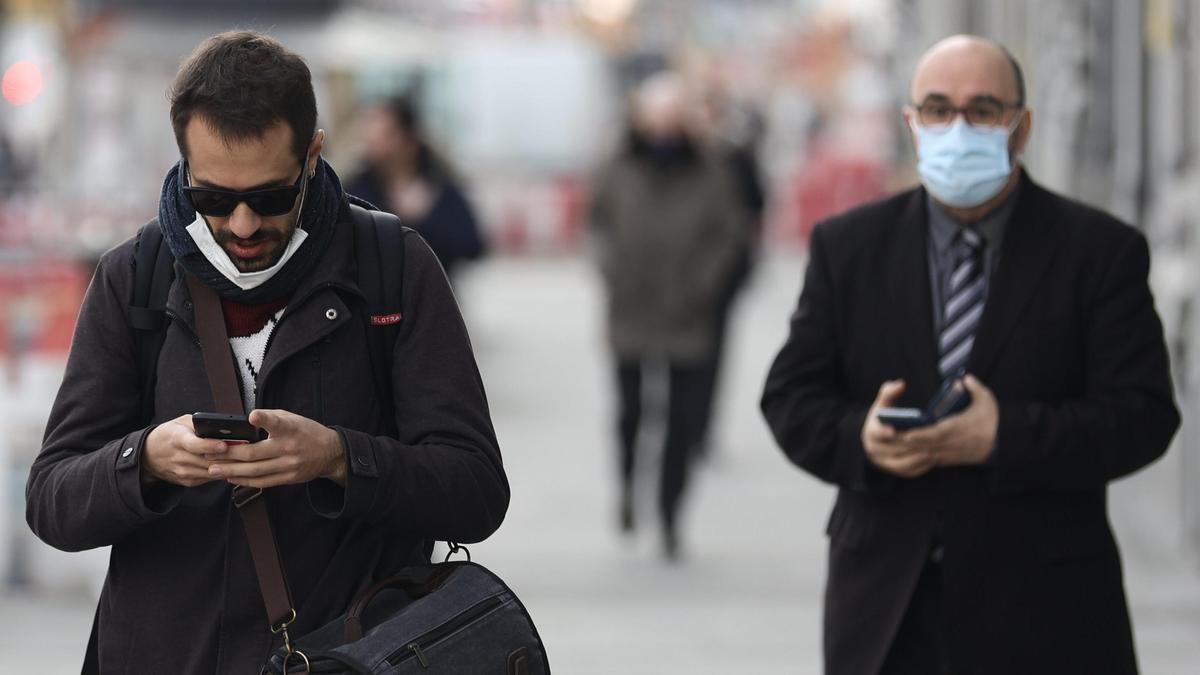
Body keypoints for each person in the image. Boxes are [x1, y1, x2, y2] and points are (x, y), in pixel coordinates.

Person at [25, 31, 508, 673]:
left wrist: (339, 458)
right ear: (182, 165)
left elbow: (475, 492)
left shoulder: (393, 267)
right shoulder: (134, 276)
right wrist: (146, 461)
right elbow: (51, 501)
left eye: (271, 196)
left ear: (312, 156)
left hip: (344, 655)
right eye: (214, 200)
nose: (245, 224)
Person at [760, 35, 1179, 675]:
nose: (957, 127)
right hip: (887, 613)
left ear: (1022, 125)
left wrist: (1004, 436)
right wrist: (861, 439)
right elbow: (790, 397)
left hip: (1049, 610)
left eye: (982, 110)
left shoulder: (1099, 253)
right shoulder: (848, 248)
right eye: (937, 108)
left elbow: (1145, 416)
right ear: (911, 122)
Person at [589, 72, 748, 560]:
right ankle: (628, 490)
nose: (662, 128)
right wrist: (614, 273)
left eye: (671, 118)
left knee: (681, 422)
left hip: (687, 315)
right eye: (654, 118)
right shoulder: (615, 167)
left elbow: (730, 235)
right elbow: (597, 225)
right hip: (631, 310)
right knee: (631, 413)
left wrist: (701, 287)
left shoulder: (712, 170)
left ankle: (670, 513)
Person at [345, 95, 486, 281]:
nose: (373, 144)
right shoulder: (355, 190)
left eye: (384, 135)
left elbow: (473, 245)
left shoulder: (439, 186)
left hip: (431, 299)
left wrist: (424, 219)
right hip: (372, 303)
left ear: (408, 140)